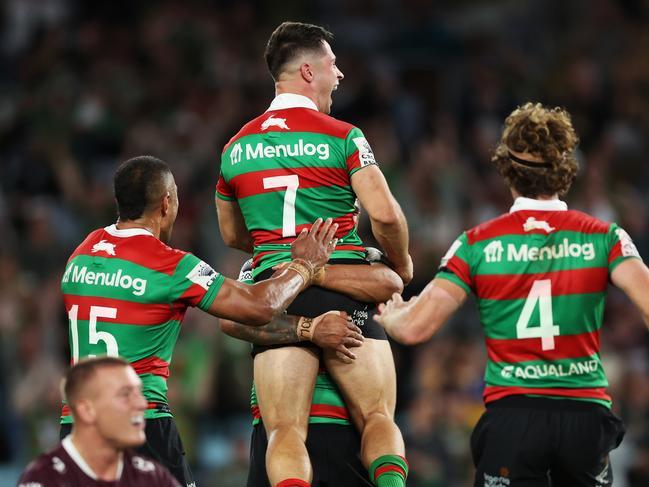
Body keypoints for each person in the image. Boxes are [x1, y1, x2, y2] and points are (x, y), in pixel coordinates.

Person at [375, 102, 649, 487]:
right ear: (566, 171)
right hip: (584, 416)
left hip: (513, 418)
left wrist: (393, 315)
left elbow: (415, 329)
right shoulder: (605, 237)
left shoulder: (476, 244)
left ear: (506, 169)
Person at [59, 155, 360, 487]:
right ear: (166, 203)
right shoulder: (171, 266)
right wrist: (305, 266)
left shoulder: (82, 254)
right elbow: (261, 306)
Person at [216, 21, 412, 487]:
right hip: (344, 285)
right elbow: (384, 216)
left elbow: (230, 233)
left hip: (277, 295)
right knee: (378, 417)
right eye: (332, 64)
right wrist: (400, 264)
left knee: (284, 428)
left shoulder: (235, 148)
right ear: (308, 71)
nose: (339, 74)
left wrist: (276, 255)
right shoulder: (344, 135)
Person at [221, 254, 403, 487]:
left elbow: (233, 320)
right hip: (356, 434)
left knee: (284, 431)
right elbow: (396, 280)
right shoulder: (362, 257)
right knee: (379, 417)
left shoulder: (261, 262)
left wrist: (304, 326)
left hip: (284, 440)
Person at [19, 357, 180, 486]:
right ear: (87, 410)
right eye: (125, 394)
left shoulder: (153, 477)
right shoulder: (45, 479)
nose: (142, 404)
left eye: (138, 392)